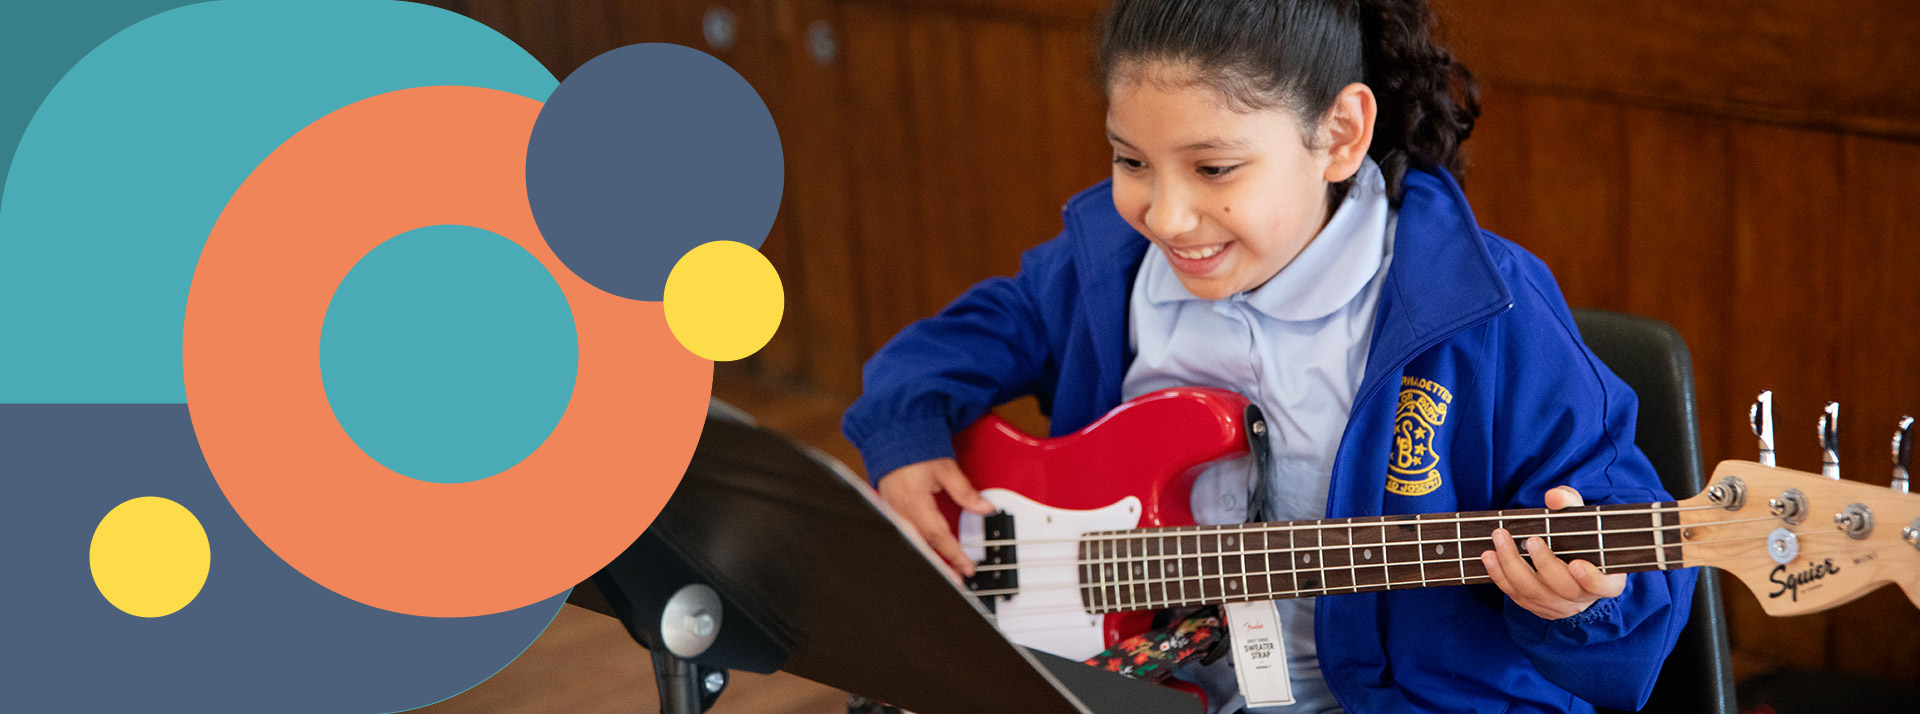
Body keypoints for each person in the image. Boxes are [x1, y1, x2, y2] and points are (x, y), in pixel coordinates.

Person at [841, 0, 1696, 711]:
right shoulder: (1113, 267)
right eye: (1130, 160)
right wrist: (907, 428)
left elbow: (1626, 558)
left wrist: (1584, 602)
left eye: (1214, 168)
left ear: (1339, 135)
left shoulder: (1481, 307)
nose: (1165, 216)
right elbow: (968, 334)